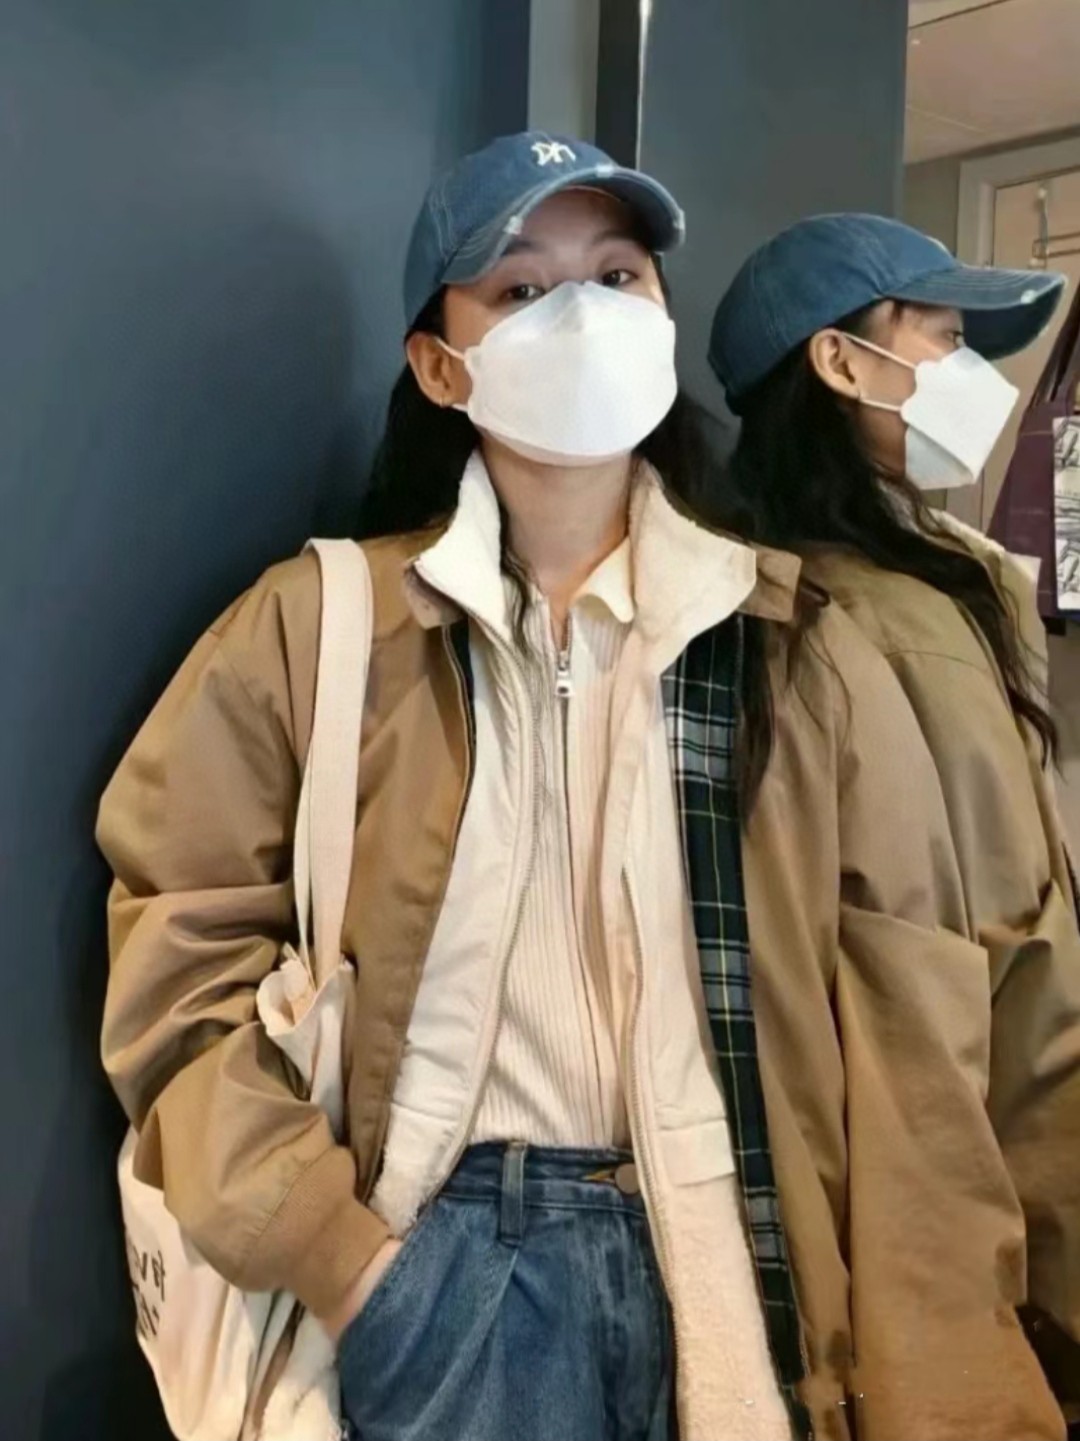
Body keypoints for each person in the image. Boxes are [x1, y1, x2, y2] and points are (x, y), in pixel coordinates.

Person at [98, 141, 1063, 1441]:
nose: (583, 315)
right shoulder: (316, 624)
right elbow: (177, 959)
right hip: (446, 1271)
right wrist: (347, 1263)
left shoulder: (801, 645)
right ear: (441, 366)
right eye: (520, 288)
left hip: (737, 1266)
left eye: (617, 275)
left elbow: (914, 1039)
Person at [707, 211, 1080, 1426]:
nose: (973, 373)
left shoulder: (918, 578)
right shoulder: (866, 618)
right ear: (840, 360)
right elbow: (1006, 953)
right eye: (944, 336)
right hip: (958, 1197)